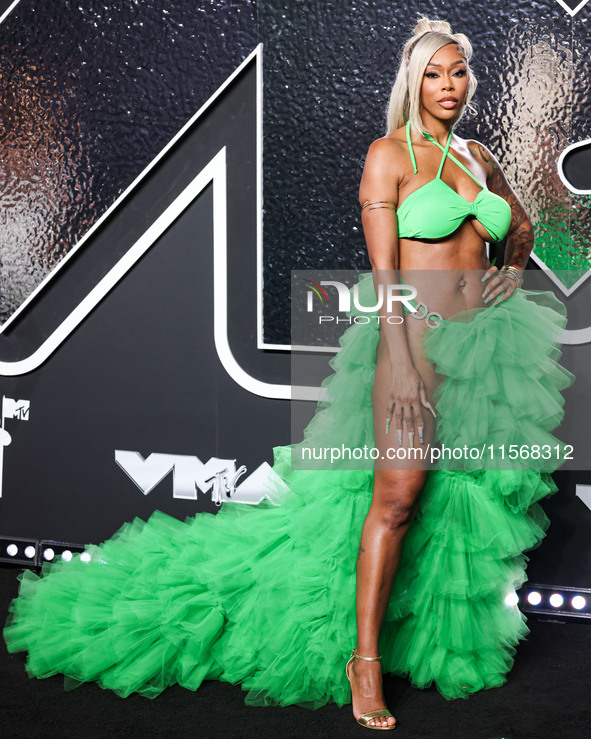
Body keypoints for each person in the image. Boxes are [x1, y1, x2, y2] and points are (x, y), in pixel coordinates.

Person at [4, 16, 573, 733]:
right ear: (412, 82)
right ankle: (362, 663)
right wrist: (399, 367)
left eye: (458, 72)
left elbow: (517, 228)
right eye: (435, 73)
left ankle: (428, 637)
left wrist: (508, 273)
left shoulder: (479, 155)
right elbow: (384, 273)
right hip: (414, 344)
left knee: (455, 503)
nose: (449, 86)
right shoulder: (386, 158)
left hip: (483, 351)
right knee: (395, 502)